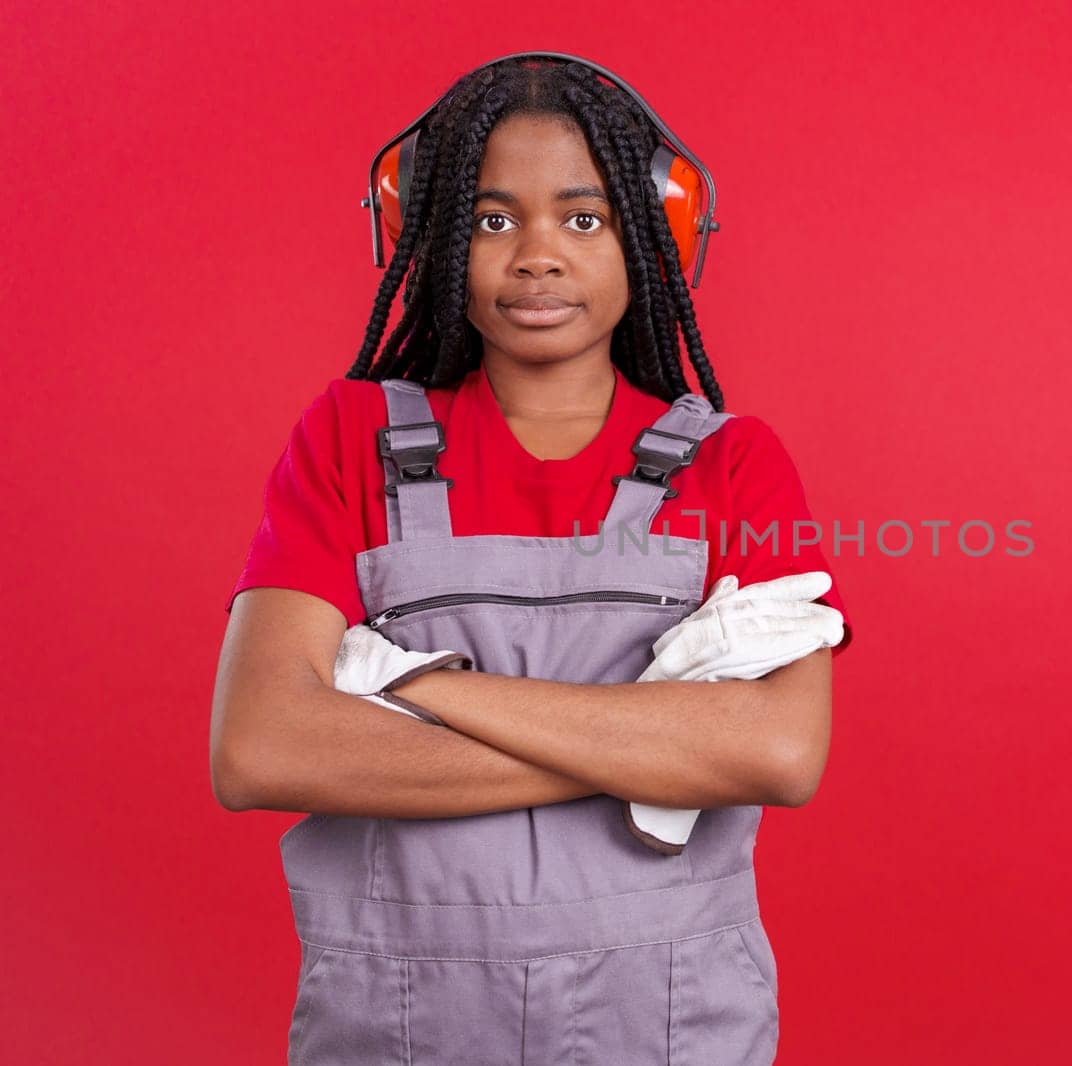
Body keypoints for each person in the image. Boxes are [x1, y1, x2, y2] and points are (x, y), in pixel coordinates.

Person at [210, 53, 853, 1064]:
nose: (536, 255)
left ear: (655, 240)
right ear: (428, 235)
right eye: (491, 218)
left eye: (584, 219)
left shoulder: (734, 463)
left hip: (672, 1032)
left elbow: (778, 752)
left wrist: (420, 689)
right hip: (397, 1032)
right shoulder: (347, 439)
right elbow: (259, 748)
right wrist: (652, 745)